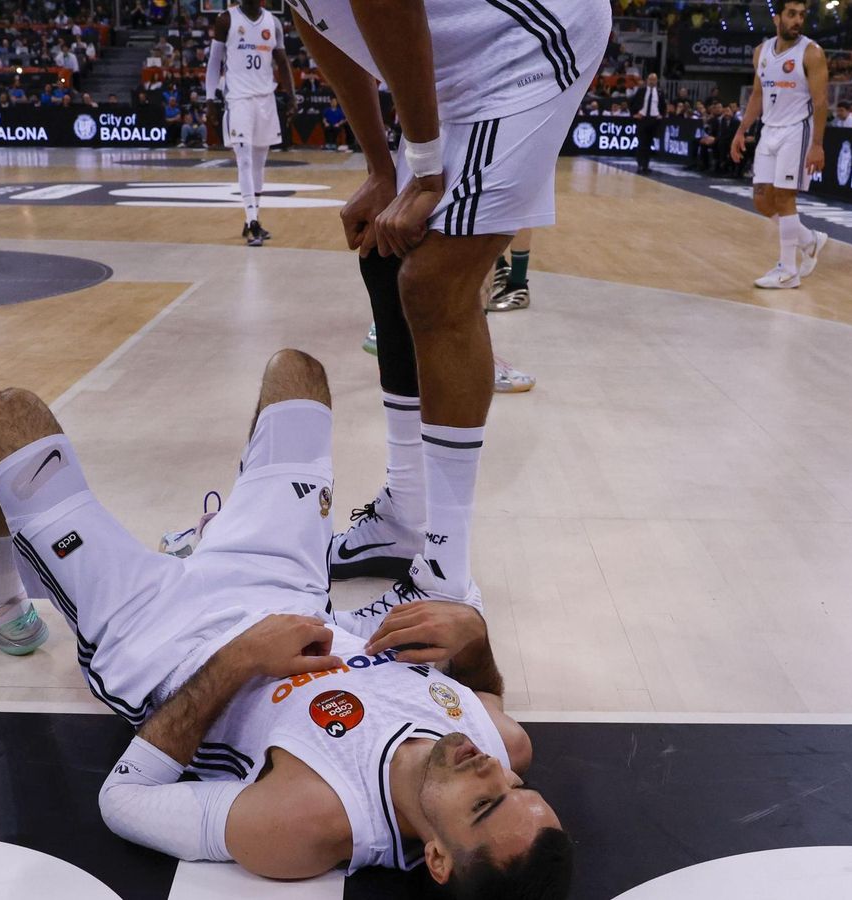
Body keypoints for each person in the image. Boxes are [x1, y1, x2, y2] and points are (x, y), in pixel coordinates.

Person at [0, 349, 571, 890]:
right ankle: (224, 535)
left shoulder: (307, 822)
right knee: (298, 376)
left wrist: (239, 658)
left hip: (158, 636)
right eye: (518, 787)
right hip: (285, 593)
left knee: (1, 417)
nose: (489, 768)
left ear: (436, 857)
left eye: (485, 804)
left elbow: (124, 800)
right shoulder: (499, 746)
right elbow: (485, 695)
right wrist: (476, 642)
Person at [283, 0, 609, 598]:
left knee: (435, 282)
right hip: (458, 63)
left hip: (531, 40)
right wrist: (383, 170)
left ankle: (445, 580)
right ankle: (406, 513)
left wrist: (427, 171)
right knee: (387, 257)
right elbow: (314, 18)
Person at [730, 0, 829, 290]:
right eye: (792, 14)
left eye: (802, 15)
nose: (797, 20)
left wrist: (818, 145)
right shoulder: (761, 53)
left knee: (785, 199)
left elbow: (821, 101)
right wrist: (740, 130)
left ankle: (788, 271)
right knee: (762, 200)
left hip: (796, 131)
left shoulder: (812, 53)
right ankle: (810, 241)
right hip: (769, 131)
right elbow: (758, 95)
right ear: (777, 18)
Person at [205, 0, 294, 247]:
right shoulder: (226, 19)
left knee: (259, 162)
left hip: (265, 99)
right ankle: (252, 220)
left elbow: (283, 62)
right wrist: (210, 99)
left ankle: (252, 219)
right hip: (238, 99)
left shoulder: (273, 23)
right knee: (243, 159)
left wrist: (291, 96)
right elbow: (214, 62)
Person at [629, 72, 665, 173]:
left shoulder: (660, 92)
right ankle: (640, 164)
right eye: (650, 79)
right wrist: (634, 114)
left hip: (654, 120)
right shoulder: (641, 91)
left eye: (654, 79)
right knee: (641, 143)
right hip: (643, 119)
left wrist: (661, 115)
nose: (652, 81)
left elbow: (663, 105)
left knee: (649, 144)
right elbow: (631, 103)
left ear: (657, 81)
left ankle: (646, 165)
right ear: (647, 80)